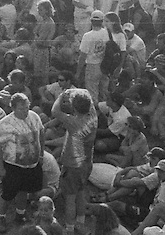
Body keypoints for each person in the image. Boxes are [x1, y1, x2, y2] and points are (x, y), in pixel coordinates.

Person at [0, 93, 45, 232]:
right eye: (22, 108)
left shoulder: (34, 116)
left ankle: (20, 214)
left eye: (27, 107)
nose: (25, 111)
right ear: (13, 108)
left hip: (32, 165)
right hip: (13, 165)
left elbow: (41, 132)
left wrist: (41, 154)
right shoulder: (5, 124)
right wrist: (0, 167)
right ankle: (1, 217)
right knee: (7, 193)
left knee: (24, 190)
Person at [52, 88, 98, 235]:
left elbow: (55, 111)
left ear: (74, 107)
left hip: (72, 166)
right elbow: (88, 97)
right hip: (87, 163)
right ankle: (81, 223)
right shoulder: (93, 118)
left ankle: (70, 229)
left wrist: (61, 95)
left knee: (70, 198)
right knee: (80, 193)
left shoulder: (73, 122)